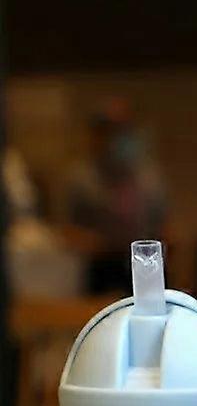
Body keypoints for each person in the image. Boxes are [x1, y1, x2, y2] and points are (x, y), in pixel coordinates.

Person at [64, 100, 166, 292]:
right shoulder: (83, 180)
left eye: (125, 130)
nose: (120, 138)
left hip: (146, 265)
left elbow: (164, 224)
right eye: (113, 131)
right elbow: (69, 231)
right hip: (102, 270)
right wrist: (101, 243)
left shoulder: (148, 178)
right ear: (98, 136)